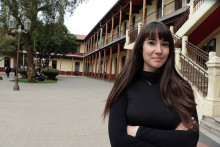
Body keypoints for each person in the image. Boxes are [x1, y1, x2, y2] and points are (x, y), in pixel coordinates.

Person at [103, 21, 199, 147]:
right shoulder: (124, 85)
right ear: (140, 47)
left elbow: (190, 140)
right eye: (151, 43)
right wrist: (173, 138)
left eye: (165, 44)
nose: (159, 50)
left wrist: (137, 131)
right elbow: (118, 141)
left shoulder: (183, 88)